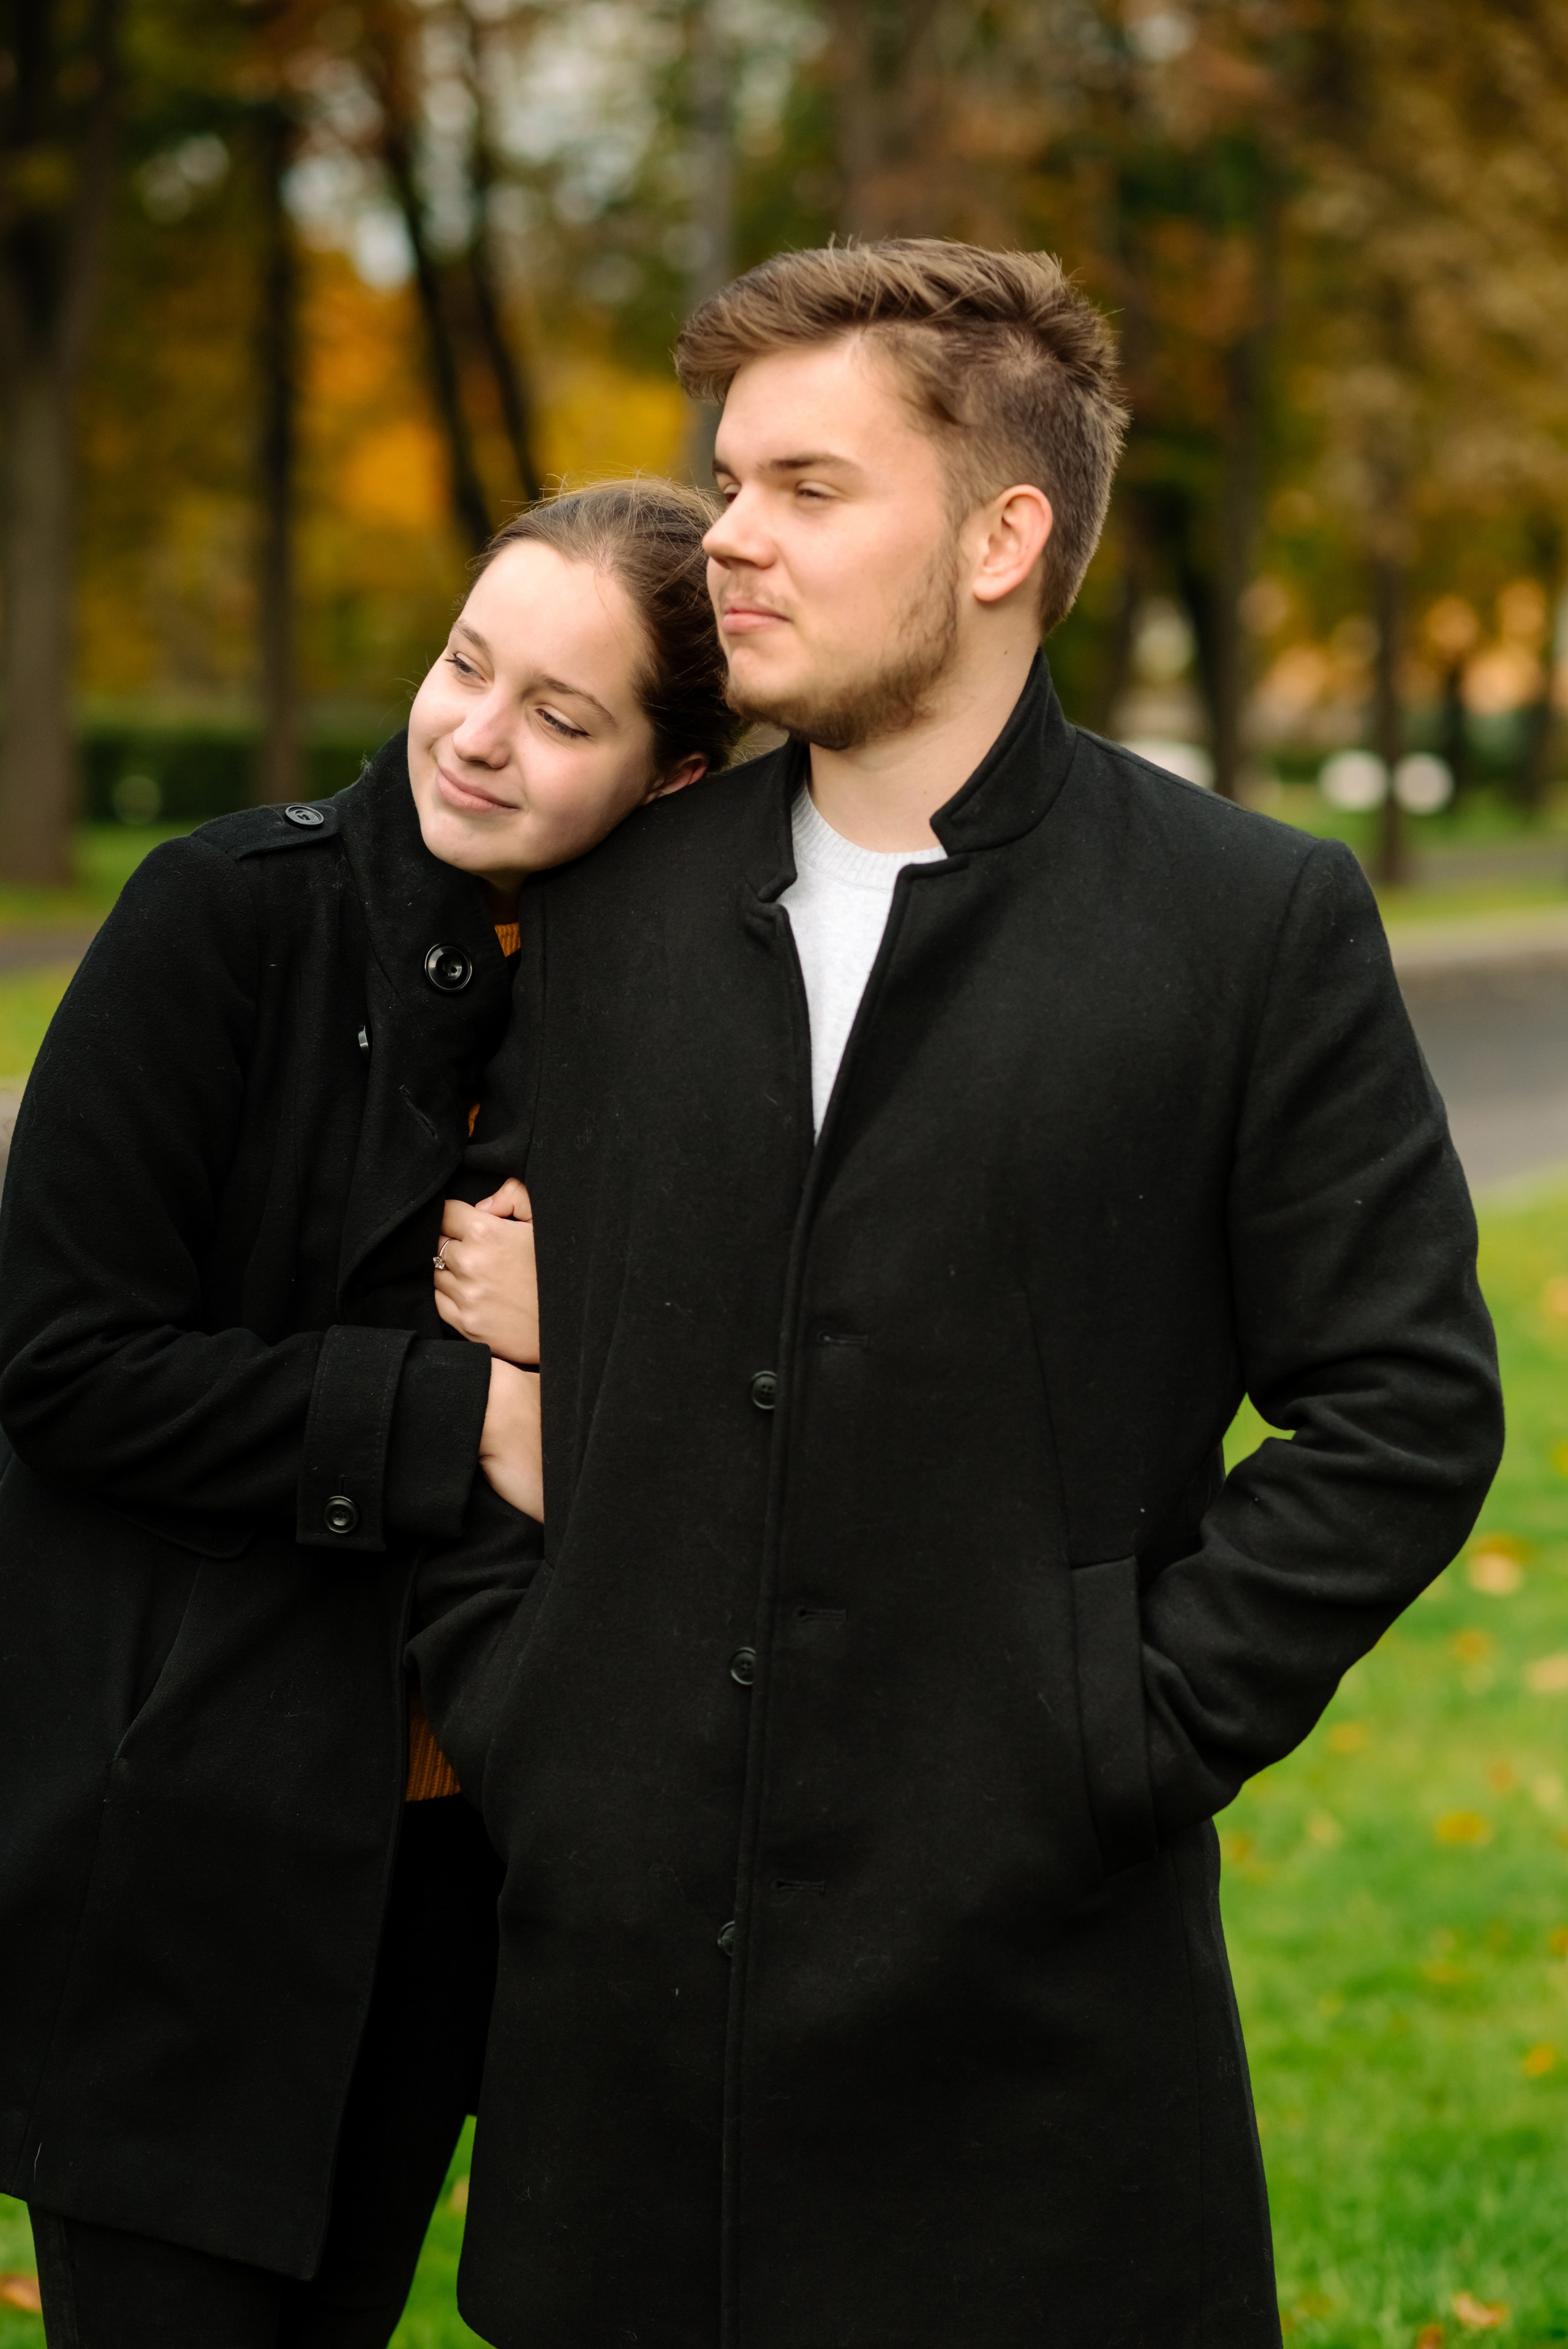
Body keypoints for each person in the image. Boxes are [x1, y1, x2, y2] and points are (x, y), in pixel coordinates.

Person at [421, 241, 1504, 2349]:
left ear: (1006, 534)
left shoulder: (1244, 925)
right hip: (623, 2060)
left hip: (1038, 2056)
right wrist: (527, 1692)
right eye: (730, 480)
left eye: (810, 487)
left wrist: (1109, 1725)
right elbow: (474, 1321)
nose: (731, 535)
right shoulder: (615, 913)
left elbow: (1402, 1412)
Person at [0, 478, 734, 2349]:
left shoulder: (678, 1013)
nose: (475, 733)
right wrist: (461, 1416)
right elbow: (62, 1359)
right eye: (465, 663)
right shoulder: (223, 918)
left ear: (669, 775)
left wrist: (580, 1345)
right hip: (185, 1841)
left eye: (562, 716)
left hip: (464, 1865)